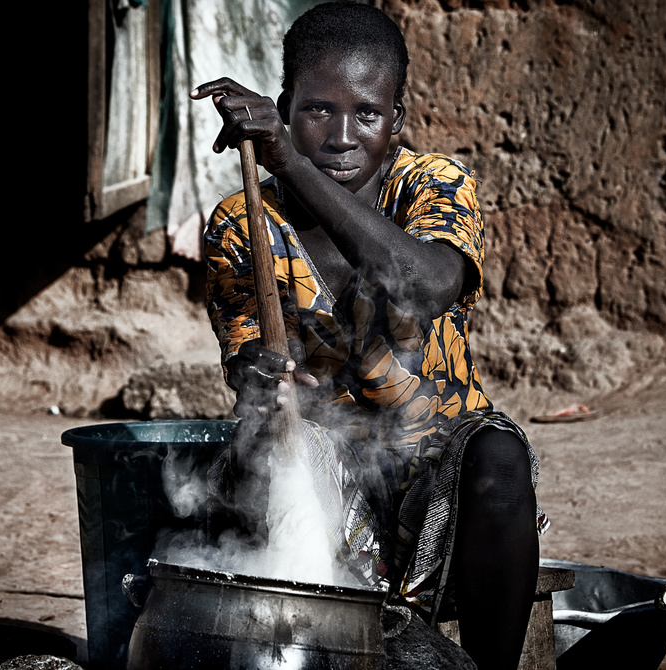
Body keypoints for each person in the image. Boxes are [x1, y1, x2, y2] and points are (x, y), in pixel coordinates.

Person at [192, 3, 547, 668]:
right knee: (268, 454)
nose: (340, 136)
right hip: (316, 483)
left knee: (499, 454)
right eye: (317, 110)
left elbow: (425, 284)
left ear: (398, 119)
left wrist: (289, 162)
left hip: (440, 490)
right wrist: (259, 383)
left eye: (367, 113)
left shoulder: (432, 185)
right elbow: (243, 364)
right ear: (284, 106)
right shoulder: (243, 223)